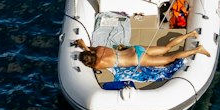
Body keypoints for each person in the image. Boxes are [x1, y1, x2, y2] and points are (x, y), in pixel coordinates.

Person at [72, 30, 210, 72]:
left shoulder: (98, 64)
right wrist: (84, 46)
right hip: (135, 49)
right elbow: (91, 50)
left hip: (138, 60)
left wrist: (84, 49)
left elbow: (95, 65)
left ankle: (197, 49)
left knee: (169, 59)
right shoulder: (100, 49)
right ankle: (191, 34)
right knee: (166, 48)